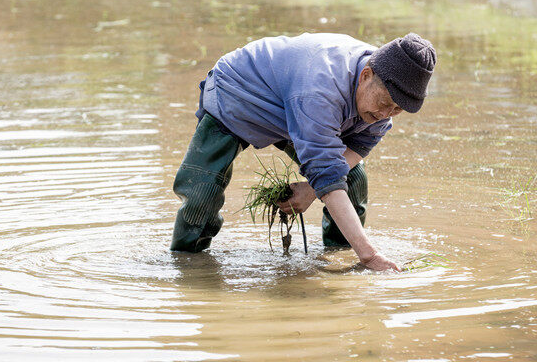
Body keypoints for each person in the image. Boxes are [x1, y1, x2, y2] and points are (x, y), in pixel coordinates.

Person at [170, 32, 436, 271]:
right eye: (383, 104)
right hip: (240, 93)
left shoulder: (381, 102)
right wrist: (370, 256)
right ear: (366, 76)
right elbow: (328, 177)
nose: (385, 115)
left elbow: (357, 149)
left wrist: (310, 190)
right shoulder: (321, 88)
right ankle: (187, 263)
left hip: (298, 110)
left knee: (353, 179)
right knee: (201, 191)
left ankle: (339, 255)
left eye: (397, 110)